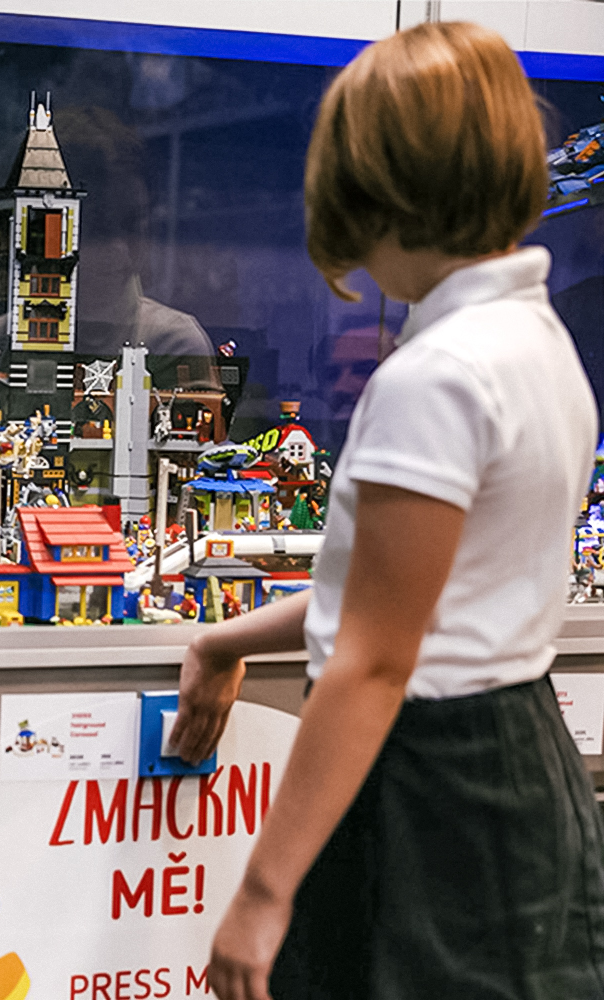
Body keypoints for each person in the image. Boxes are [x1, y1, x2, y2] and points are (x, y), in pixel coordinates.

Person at [170, 21, 604, 1000]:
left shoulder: (437, 375)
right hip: (516, 773)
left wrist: (261, 893)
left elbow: (375, 656)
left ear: (374, 188)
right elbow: (422, 600)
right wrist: (230, 636)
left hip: (430, 789)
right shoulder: (537, 347)